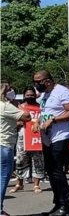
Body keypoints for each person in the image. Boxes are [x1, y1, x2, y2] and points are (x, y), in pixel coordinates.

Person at [32, 70, 69, 216]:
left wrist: (54, 120)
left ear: (47, 81)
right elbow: (46, 112)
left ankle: (67, 203)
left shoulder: (62, 92)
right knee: (51, 171)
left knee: (57, 170)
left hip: (62, 135)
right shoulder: (45, 94)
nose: (36, 85)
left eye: (38, 82)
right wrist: (37, 121)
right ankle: (58, 203)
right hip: (48, 137)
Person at [1, 82, 32, 216]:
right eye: (9, 90)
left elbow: (14, 121)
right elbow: (27, 116)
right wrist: (17, 104)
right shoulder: (6, 106)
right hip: (4, 145)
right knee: (3, 178)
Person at [10, 87, 45, 195]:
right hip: (23, 137)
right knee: (20, 160)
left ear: (35, 95)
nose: (30, 96)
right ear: (24, 96)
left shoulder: (40, 108)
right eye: (28, 95)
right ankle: (19, 184)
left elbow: (44, 119)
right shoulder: (20, 108)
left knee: (37, 161)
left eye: (32, 95)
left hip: (37, 138)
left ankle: (36, 184)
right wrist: (21, 123)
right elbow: (14, 122)